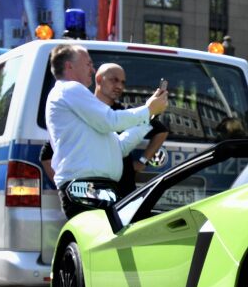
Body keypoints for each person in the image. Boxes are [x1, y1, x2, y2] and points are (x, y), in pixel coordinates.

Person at [44, 45, 167, 218]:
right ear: (69, 66)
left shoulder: (74, 96)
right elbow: (110, 121)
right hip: (85, 187)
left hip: (96, 188)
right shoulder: (69, 89)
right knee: (99, 242)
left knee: (106, 242)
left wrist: (149, 116)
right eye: (88, 64)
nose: (92, 69)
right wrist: (147, 110)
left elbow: (119, 147)